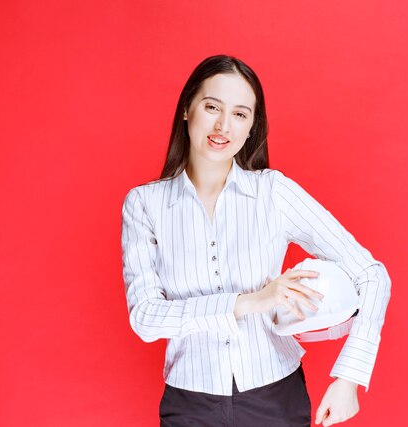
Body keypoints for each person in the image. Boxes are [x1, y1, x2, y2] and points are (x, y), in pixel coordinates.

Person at [121, 54, 392, 427]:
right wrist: (250, 302)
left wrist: (349, 378)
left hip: (275, 400)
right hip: (189, 405)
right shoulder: (144, 205)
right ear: (187, 109)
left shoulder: (274, 192)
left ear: (251, 127)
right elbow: (146, 318)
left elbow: (372, 274)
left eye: (240, 114)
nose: (222, 125)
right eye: (212, 106)